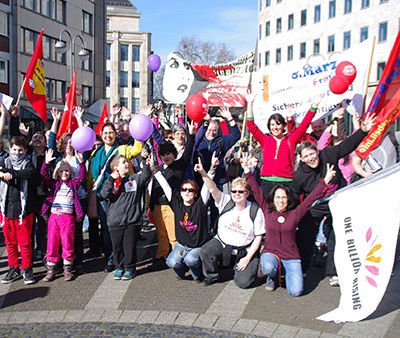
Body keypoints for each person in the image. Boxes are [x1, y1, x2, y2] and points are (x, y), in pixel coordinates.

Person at [292, 113, 376, 285]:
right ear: (301, 158)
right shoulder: (299, 175)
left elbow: (346, 146)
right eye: (306, 156)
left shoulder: (328, 155)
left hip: (336, 200)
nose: (311, 158)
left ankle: (334, 271)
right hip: (315, 206)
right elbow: (293, 196)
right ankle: (303, 267)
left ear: (317, 151)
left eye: (312, 154)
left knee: (336, 236)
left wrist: (363, 131)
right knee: (306, 236)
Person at [242, 154, 336, 296]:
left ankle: (284, 272)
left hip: (290, 256)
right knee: (267, 267)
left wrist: (326, 181)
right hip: (271, 252)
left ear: (288, 199)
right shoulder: (268, 210)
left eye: (284, 197)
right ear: (273, 199)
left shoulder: (295, 213)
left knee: (296, 291)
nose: (281, 201)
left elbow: (311, 199)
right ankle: (271, 277)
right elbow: (256, 191)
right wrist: (247, 171)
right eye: (278, 197)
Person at [196, 158, 265, 288]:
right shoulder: (225, 201)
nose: (237, 194)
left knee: (243, 283)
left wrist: (248, 258)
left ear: (247, 193)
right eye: (234, 191)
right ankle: (212, 275)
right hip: (223, 243)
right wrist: (203, 173)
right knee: (206, 250)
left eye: (241, 191)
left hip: (244, 250)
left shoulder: (255, 210)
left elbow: (258, 237)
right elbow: (212, 188)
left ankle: (253, 267)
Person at [88, 122, 142, 272]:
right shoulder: (96, 152)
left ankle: (124, 259)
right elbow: (91, 176)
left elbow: (137, 149)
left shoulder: (122, 149)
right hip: (102, 195)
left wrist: (139, 130)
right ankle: (111, 259)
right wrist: (90, 194)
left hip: (120, 195)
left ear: (116, 134)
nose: (108, 135)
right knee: (107, 230)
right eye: (105, 133)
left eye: (111, 132)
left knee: (120, 230)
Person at [246, 92, 324, 197]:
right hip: (266, 182)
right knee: (268, 211)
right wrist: (250, 103)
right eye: (272, 125)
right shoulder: (265, 140)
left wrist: (314, 106)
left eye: (278, 124)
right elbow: (251, 126)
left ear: (283, 126)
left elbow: (304, 125)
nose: (275, 127)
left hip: (286, 181)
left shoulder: (291, 140)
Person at [153, 155, 217, 282]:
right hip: (182, 245)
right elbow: (165, 186)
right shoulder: (177, 202)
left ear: (195, 193)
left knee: (191, 260)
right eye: (184, 189)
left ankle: (197, 275)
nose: (187, 192)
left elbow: (207, 187)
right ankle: (181, 272)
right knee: (171, 262)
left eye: (191, 190)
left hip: (198, 245)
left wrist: (211, 169)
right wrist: (154, 170)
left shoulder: (201, 203)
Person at [148, 121, 196, 271]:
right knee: (161, 235)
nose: (166, 157)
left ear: (174, 154)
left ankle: (178, 260)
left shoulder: (179, 165)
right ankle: (161, 256)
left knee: (173, 236)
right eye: (163, 154)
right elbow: (154, 188)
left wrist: (192, 135)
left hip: (171, 206)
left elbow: (188, 151)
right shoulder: (159, 168)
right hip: (157, 207)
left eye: (169, 153)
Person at [100, 154, 152, 280]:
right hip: (115, 221)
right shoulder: (111, 181)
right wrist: (111, 180)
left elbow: (145, 176)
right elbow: (104, 194)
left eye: (127, 162)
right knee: (117, 247)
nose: (127, 164)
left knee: (129, 246)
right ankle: (119, 267)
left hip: (132, 220)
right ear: (116, 167)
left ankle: (130, 268)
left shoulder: (134, 179)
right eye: (123, 162)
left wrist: (145, 161)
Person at [40, 149, 86, 282]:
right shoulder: (55, 184)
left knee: (67, 242)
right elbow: (43, 174)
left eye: (66, 171)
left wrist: (82, 163)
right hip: (54, 218)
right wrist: (46, 163)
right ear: (57, 173)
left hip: (68, 218)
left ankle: (67, 269)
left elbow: (82, 176)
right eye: (61, 171)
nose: (64, 173)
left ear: (70, 172)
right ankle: (51, 269)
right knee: (52, 243)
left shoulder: (73, 184)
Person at [0, 136, 36, 285]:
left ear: (25, 151)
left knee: (25, 242)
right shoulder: (5, 162)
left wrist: (12, 173)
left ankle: (27, 268)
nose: (17, 153)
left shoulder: (28, 163)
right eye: (14, 150)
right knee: (10, 242)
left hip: (23, 210)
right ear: (10, 150)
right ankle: (13, 267)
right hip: (6, 208)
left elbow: (29, 173)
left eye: (20, 150)